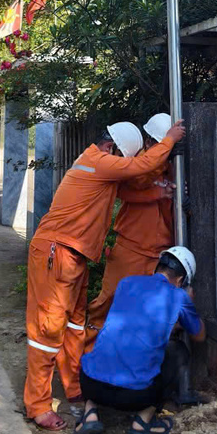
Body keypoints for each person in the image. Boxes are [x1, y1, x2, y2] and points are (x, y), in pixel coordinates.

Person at [24, 118, 186, 431]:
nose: (125, 165)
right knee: (47, 332)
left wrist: (161, 194)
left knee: (74, 326)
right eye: (125, 159)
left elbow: (129, 193)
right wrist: (169, 140)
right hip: (57, 253)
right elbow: (139, 170)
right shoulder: (98, 160)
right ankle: (38, 405)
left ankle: (76, 390)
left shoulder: (97, 168)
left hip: (75, 257)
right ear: (112, 148)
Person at [75, 246, 204, 434]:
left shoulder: (126, 283)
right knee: (178, 352)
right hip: (134, 397)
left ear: (157, 268)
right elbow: (199, 335)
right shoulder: (179, 297)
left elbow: (134, 320)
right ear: (181, 280)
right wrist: (189, 301)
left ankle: (90, 414)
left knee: (103, 352)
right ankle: (142, 422)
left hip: (91, 385)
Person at [85, 113, 175, 344]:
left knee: (145, 317)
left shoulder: (177, 170)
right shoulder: (139, 165)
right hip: (129, 249)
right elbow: (133, 184)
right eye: (156, 143)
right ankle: (86, 363)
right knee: (107, 305)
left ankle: (131, 371)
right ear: (148, 143)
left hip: (159, 254)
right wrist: (161, 164)